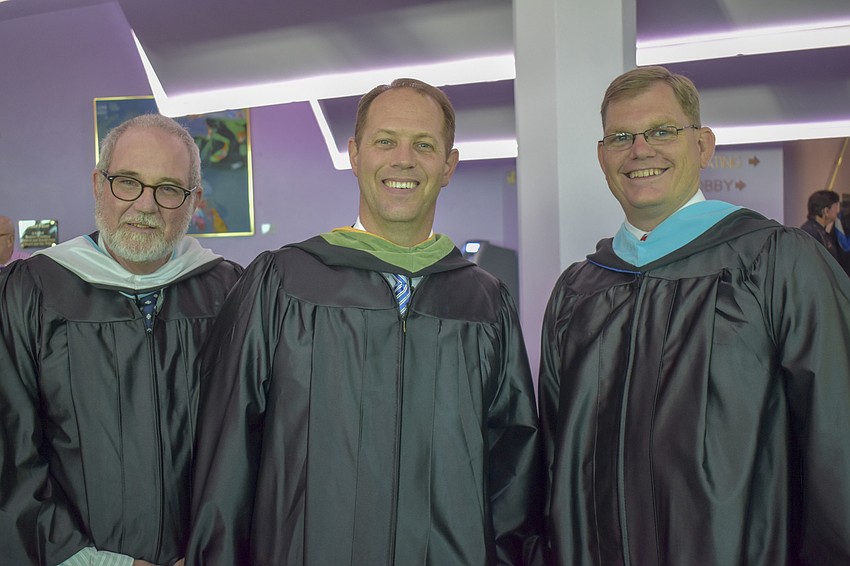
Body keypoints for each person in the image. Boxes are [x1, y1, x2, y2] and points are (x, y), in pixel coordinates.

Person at [185, 78, 545, 565]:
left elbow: (513, 472)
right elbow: (228, 456)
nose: (403, 159)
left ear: (448, 166)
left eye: (423, 145)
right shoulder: (283, 283)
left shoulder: (483, 302)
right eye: (385, 141)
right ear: (355, 155)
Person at [538, 65, 850, 565]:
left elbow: (838, 441)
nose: (641, 149)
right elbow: (553, 461)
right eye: (621, 137)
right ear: (602, 157)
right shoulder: (579, 290)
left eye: (662, 131)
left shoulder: (774, 262)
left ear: (702, 146)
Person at [0, 114, 243, 565]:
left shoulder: (232, 294)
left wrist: (216, 548)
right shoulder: (28, 293)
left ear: (195, 201)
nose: (145, 205)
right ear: (98, 183)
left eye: (169, 189)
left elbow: (257, 445)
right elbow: (9, 453)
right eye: (127, 182)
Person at [800, 189, 850, 277]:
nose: (838, 211)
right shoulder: (811, 234)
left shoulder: (820, 232)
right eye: (835, 207)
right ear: (826, 211)